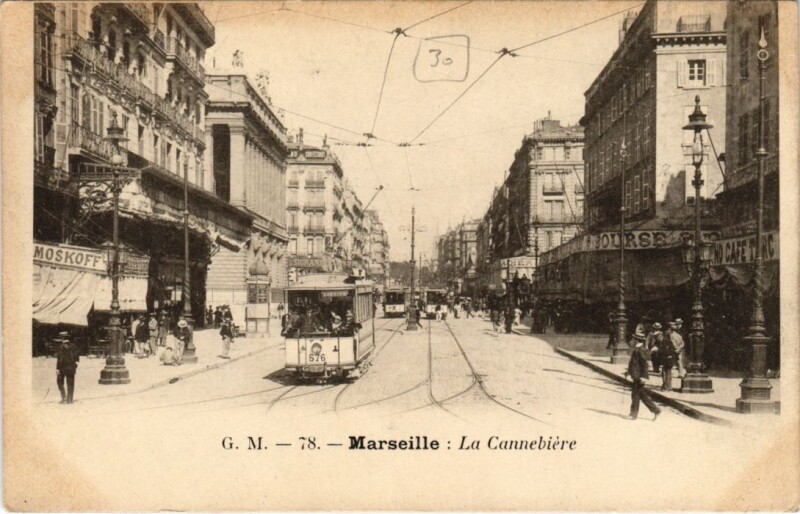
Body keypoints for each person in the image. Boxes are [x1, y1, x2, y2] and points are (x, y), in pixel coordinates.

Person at [625, 327, 660, 421]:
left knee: (635, 395)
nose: (632, 340)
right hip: (636, 376)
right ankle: (656, 410)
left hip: (639, 377)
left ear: (637, 340)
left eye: (634, 339)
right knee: (642, 395)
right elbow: (633, 363)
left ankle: (633, 414)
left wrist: (644, 377)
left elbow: (644, 365)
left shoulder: (641, 350)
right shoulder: (637, 349)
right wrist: (628, 372)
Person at [56, 332, 79, 404]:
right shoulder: (74, 346)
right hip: (72, 368)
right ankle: (70, 400)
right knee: (71, 383)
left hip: (63, 368)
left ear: (62, 338)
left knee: (59, 381)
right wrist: (75, 365)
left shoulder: (60, 347)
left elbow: (60, 359)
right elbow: (77, 358)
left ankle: (64, 397)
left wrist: (57, 369)